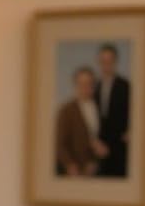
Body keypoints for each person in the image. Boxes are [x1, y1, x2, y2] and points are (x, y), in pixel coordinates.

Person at [54, 67, 106, 176]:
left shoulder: (100, 108)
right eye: (81, 84)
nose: (85, 88)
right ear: (75, 85)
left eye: (89, 84)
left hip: (98, 170)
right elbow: (60, 144)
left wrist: (95, 161)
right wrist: (70, 165)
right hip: (74, 171)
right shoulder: (66, 110)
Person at [95, 43, 130, 177]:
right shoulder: (95, 87)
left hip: (120, 142)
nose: (106, 65)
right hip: (100, 143)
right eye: (103, 61)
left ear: (115, 62)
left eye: (109, 61)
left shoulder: (125, 86)